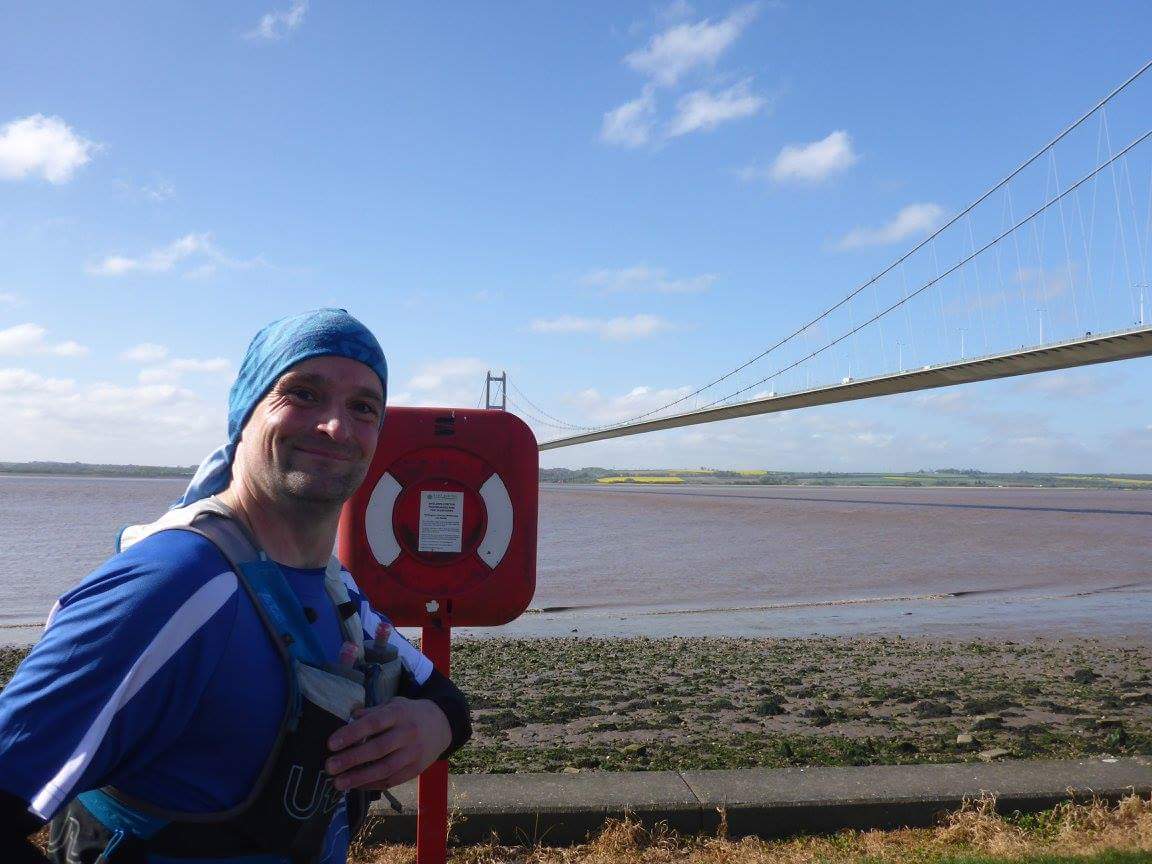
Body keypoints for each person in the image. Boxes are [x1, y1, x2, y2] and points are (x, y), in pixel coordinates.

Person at [0, 309, 471, 864]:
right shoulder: (175, 584)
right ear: (246, 412)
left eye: (363, 407)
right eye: (303, 394)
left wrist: (430, 725)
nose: (336, 427)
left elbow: (445, 699)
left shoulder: (333, 587)